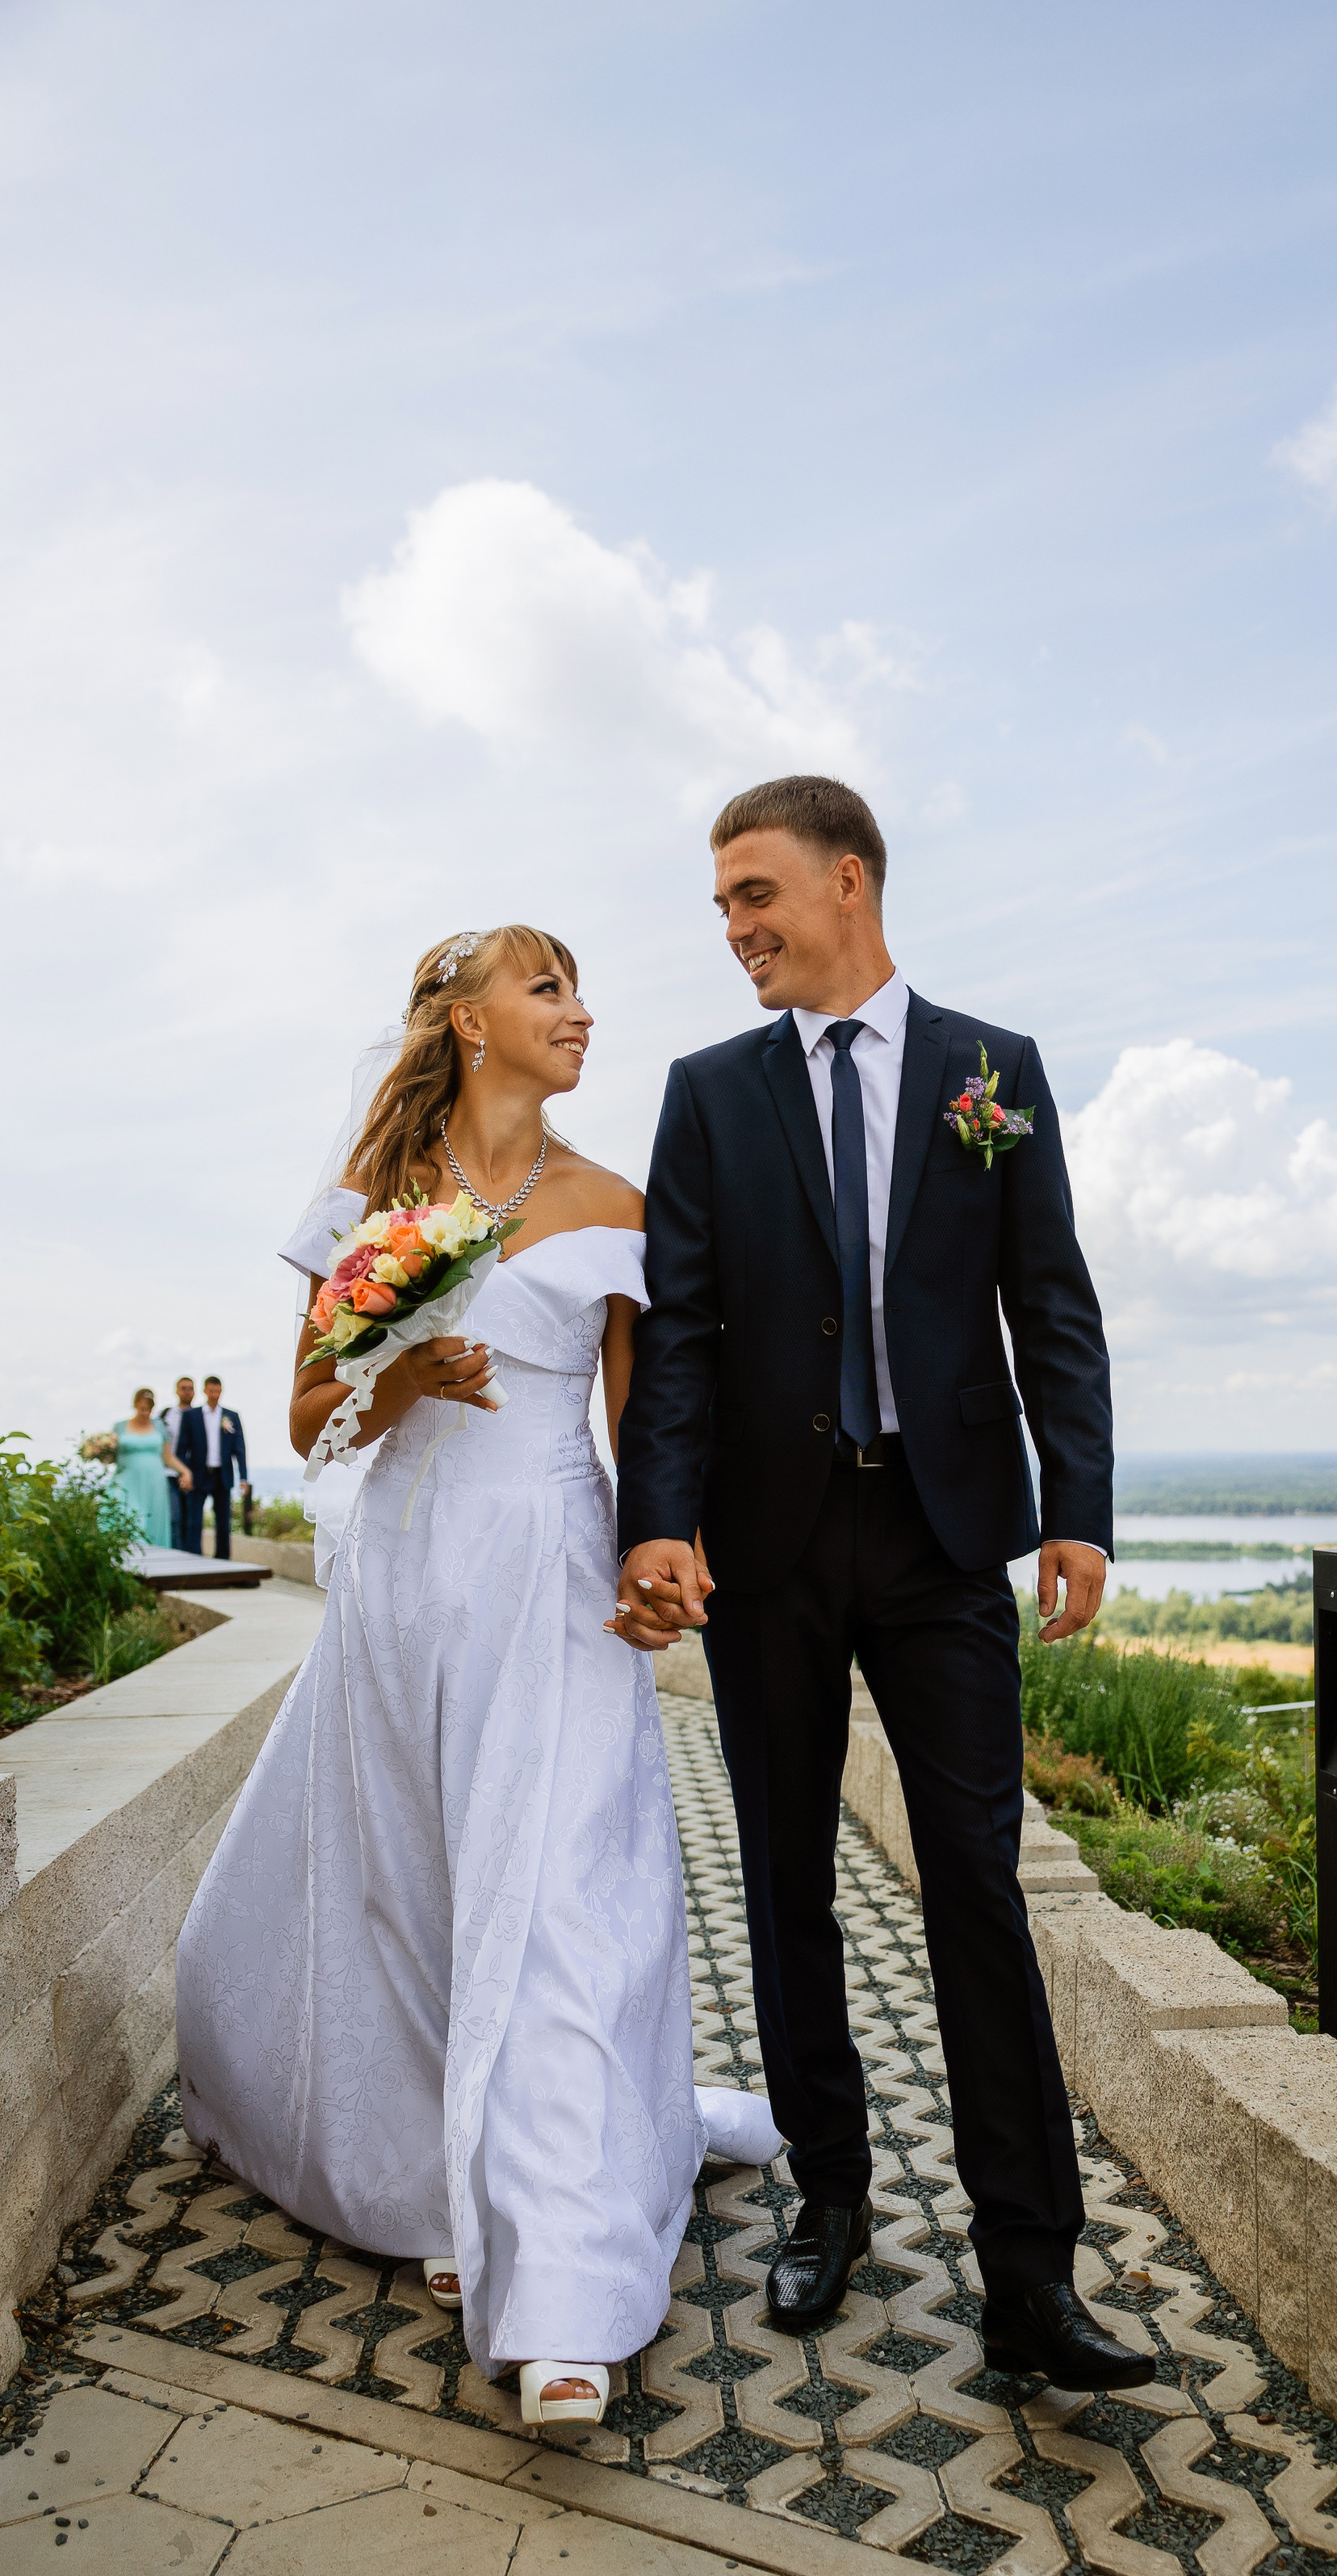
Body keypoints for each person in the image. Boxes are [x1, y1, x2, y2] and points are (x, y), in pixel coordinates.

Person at [175, 926, 781, 2433]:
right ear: (464, 1021)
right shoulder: (368, 1207)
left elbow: (650, 1431)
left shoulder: (614, 1207)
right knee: (417, 1882)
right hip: (403, 1570)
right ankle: (448, 2182)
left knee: (569, 1895)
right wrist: (398, 1379)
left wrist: (665, 1553)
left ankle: (568, 2291)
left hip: (553, 1575)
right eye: (547, 988)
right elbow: (309, 1408)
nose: (581, 1011)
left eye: (578, 988)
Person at [613, 776, 1156, 2393]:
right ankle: (829, 2193)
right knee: (780, 1882)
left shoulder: (996, 1072)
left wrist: (1081, 1507)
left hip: (942, 1539)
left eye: (754, 894)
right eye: (720, 905)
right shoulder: (707, 1094)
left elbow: (1049, 1298)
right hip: (768, 1546)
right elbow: (685, 1331)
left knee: (974, 1893)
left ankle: (1030, 2276)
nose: (734, 930)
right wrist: (660, 1515)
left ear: (848, 880)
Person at [175, 1376, 248, 1558]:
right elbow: (182, 1448)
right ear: (205, 1391)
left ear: (221, 1391)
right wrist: (184, 1473)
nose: (214, 1395)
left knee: (224, 1523)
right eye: (211, 1391)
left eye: (218, 1391)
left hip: (222, 1476)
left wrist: (244, 1477)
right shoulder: (191, 1416)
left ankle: (223, 1560)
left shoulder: (231, 1416)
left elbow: (240, 1449)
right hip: (199, 1474)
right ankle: (193, 1559)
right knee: (194, 1522)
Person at [111, 1387, 192, 1548]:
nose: (145, 1412)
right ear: (135, 1405)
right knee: (130, 1520)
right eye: (142, 1408)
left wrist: (185, 1471)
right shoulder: (120, 1427)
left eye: (149, 1408)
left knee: (152, 1523)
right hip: (127, 1483)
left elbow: (167, 1457)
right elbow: (109, 1458)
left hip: (154, 1484)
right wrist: (98, 1450)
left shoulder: (159, 1426)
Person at [161, 1376, 198, 1551]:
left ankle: (190, 1555)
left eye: (190, 1388)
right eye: (183, 1388)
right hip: (168, 1473)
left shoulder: (198, 1416)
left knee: (190, 1519)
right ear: (176, 1390)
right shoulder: (166, 1414)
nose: (187, 1392)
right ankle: (175, 1551)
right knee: (174, 1517)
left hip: (192, 1474)